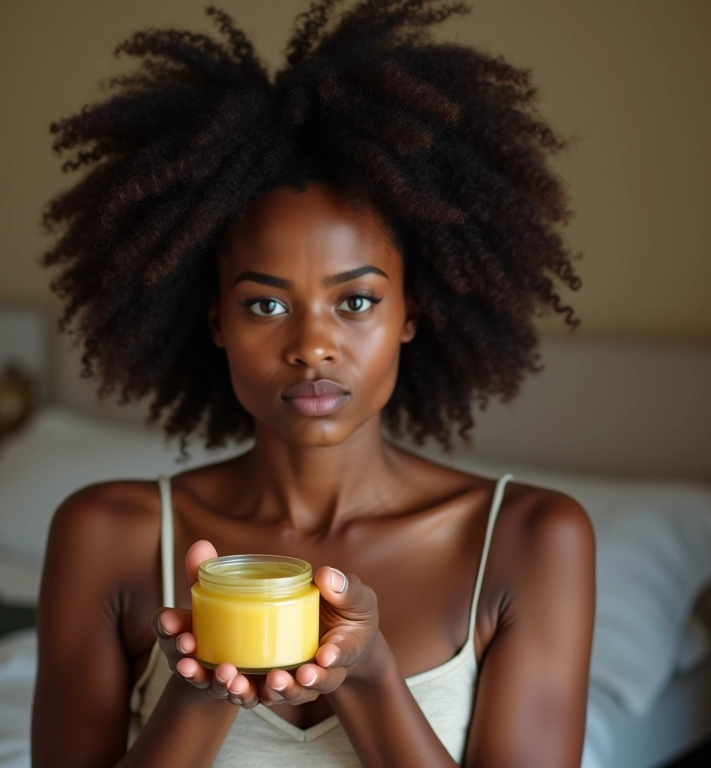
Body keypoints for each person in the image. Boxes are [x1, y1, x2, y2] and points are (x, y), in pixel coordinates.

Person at [31, 1, 595, 766]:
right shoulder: (107, 534)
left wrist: (368, 679)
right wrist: (198, 698)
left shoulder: (530, 540)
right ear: (215, 323)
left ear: (410, 315)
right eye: (265, 304)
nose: (312, 346)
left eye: (356, 301)